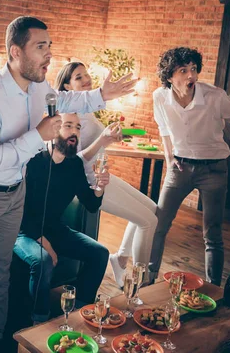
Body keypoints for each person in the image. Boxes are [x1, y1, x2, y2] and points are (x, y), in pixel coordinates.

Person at [0, 16, 137, 352]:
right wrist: (36, 135)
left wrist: (101, 94)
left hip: (14, 192)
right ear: (15, 51)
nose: (49, 54)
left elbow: (69, 101)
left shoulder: (39, 88)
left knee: (4, 274)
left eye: (50, 46)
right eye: (41, 47)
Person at [149, 47, 230, 286]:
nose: (190, 75)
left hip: (214, 170)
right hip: (180, 167)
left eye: (193, 69)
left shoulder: (214, 96)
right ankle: (148, 279)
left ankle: (213, 287)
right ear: (169, 77)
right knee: (159, 224)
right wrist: (169, 159)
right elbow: (164, 130)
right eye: (183, 70)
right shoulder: (159, 97)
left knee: (213, 234)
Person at [55, 62, 158, 288]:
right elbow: (71, 161)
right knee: (148, 221)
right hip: (90, 184)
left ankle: (120, 259)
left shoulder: (87, 110)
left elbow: (94, 147)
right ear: (66, 86)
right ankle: (141, 285)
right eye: (78, 77)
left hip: (102, 176)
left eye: (87, 74)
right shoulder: (68, 116)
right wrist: (103, 139)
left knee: (152, 209)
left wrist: (108, 138)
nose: (86, 79)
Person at [14, 113, 110, 322]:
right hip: (22, 231)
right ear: (53, 130)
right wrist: (45, 244)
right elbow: (19, 212)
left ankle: (80, 312)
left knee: (100, 253)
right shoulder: (32, 161)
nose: (74, 132)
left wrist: (100, 187)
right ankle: (39, 320)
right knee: (43, 261)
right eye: (68, 126)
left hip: (54, 229)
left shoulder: (74, 164)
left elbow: (91, 205)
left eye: (77, 127)